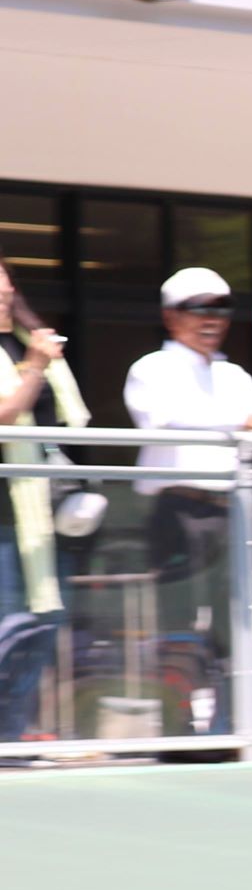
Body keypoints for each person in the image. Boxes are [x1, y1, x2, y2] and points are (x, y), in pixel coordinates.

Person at [127, 268, 252, 752]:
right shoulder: (151, 368)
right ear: (170, 317)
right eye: (199, 308)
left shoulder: (230, 374)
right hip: (178, 509)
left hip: (230, 511)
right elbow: (165, 418)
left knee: (234, 624)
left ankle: (230, 729)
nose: (212, 319)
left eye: (221, 309)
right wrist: (247, 420)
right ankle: (176, 736)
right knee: (179, 627)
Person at [0, 250, 88, 752]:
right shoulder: (27, 356)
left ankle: (12, 730)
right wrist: (34, 367)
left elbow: (69, 423)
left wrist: (41, 361)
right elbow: (6, 416)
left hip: (48, 514)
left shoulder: (25, 343)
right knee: (10, 622)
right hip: (7, 515)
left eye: (3, 277)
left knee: (44, 621)